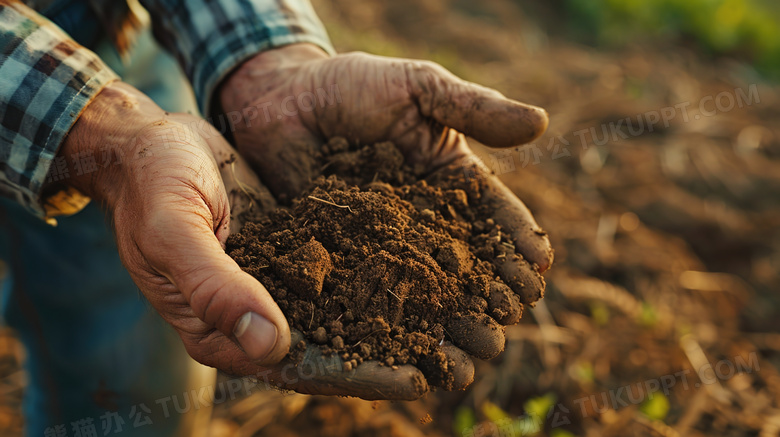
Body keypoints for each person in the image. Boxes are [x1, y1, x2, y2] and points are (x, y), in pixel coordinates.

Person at [0, 0, 553, 435]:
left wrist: (267, 61)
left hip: (109, 30)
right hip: (26, 83)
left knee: (141, 363)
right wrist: (104, 136)